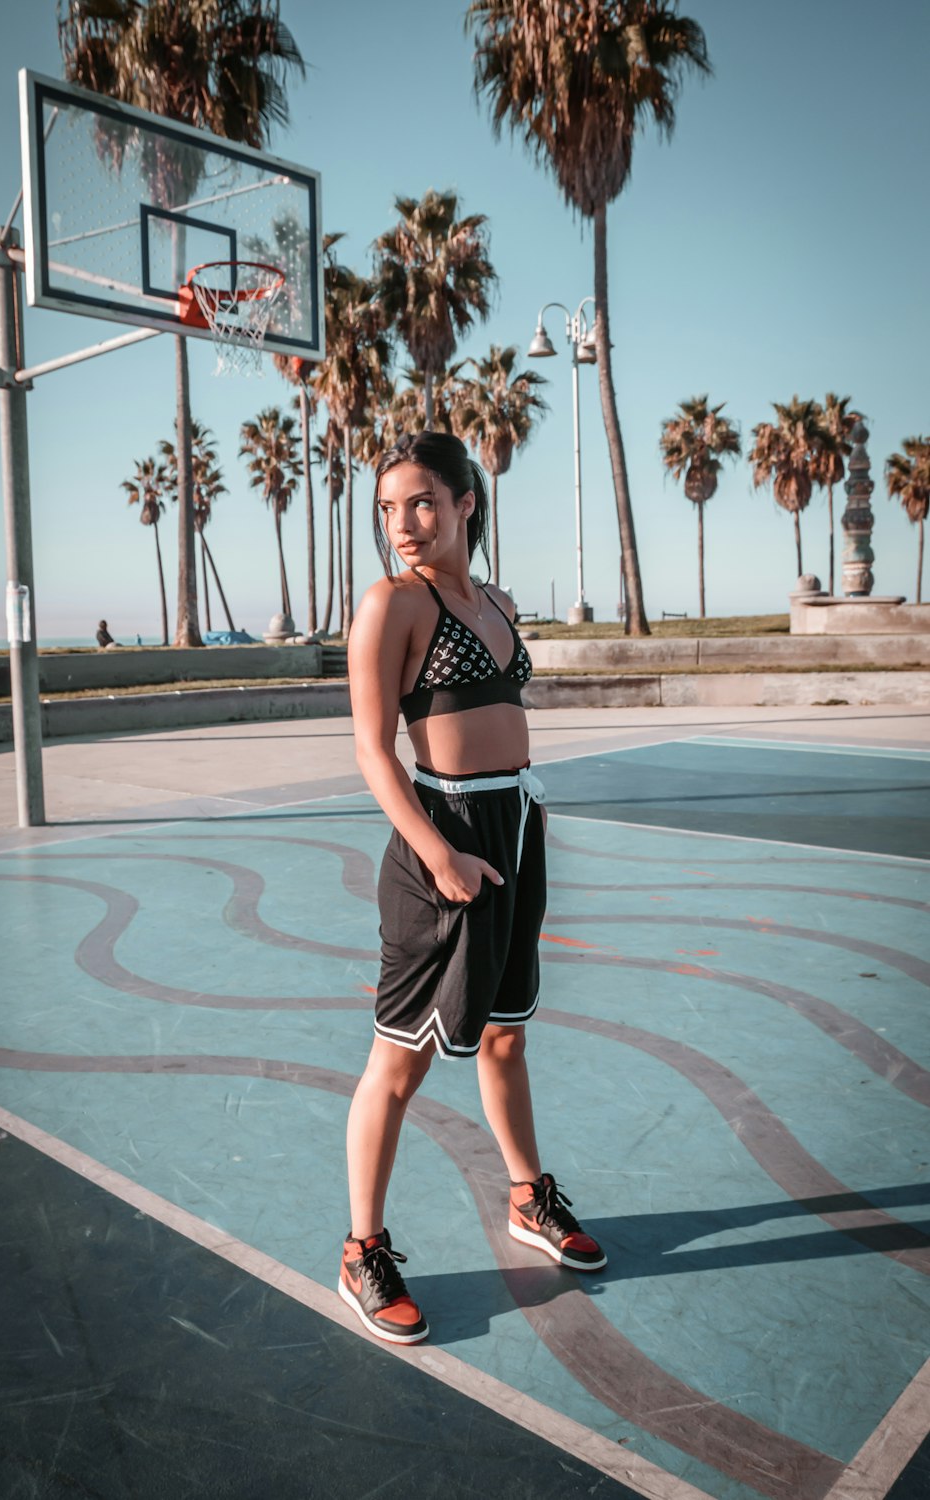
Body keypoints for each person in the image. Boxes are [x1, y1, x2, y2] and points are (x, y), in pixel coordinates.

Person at [339, 431, 606, 1346]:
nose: (401, 525)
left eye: (419, 502)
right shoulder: (391, 605)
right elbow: (375, 751)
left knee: (504, 1039)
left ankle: (528, 1198)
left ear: (465, 503)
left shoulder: (496, 601)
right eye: (386, 509)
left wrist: (520, 834)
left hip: (518, 832)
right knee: (399, 1062)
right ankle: (361, 1250)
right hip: (440, 842)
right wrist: (441, 855)